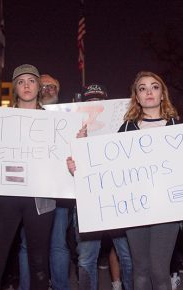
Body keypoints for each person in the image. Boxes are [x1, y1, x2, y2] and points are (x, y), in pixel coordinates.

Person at [117, 71, 183, 290]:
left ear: (162, 95)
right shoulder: (125, 130)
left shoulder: (178, 129)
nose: (149, 91)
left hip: (167, 210)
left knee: (159, 270)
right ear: (137, 98)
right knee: (140, 271)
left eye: (154, 87)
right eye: (142, 88)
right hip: (135, 209)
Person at [0, 64, 56, 290]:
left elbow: (63, 155)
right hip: (6, 198)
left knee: (40, 266)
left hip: (40, 200)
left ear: (38, 86)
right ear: (15, 88)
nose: (26, 86)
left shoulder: (55, 122)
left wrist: (76, 141)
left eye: (31, 81)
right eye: (21, 82)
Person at [73, 84, 133, 290]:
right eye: (89, 103)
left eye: (99, 102)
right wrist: (76, 147)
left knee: (127, 255)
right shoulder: (73, 130)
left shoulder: (122, 127)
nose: (94, 107)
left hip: (118, 198)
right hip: (87, 201)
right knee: (86, 258)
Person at [16, 73, 70, 290]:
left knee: (58, 245)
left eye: (52, 86)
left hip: (58, 193)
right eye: (44, 86)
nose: (48, 89)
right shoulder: (23, 114)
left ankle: (59, 287)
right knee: (27, 245)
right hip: (28, 192)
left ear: (59, 90)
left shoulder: (67, 117)